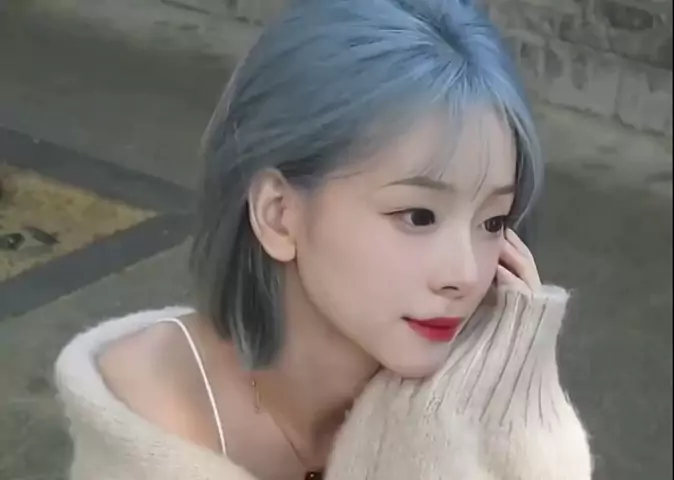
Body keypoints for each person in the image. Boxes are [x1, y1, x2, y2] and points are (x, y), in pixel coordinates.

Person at [53, 0, 579, 479]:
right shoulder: (150, 407)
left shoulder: (459, 385)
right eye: (418, 216)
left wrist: (513, 377)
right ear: (278, 215)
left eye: (493, 222)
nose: (465, 274)